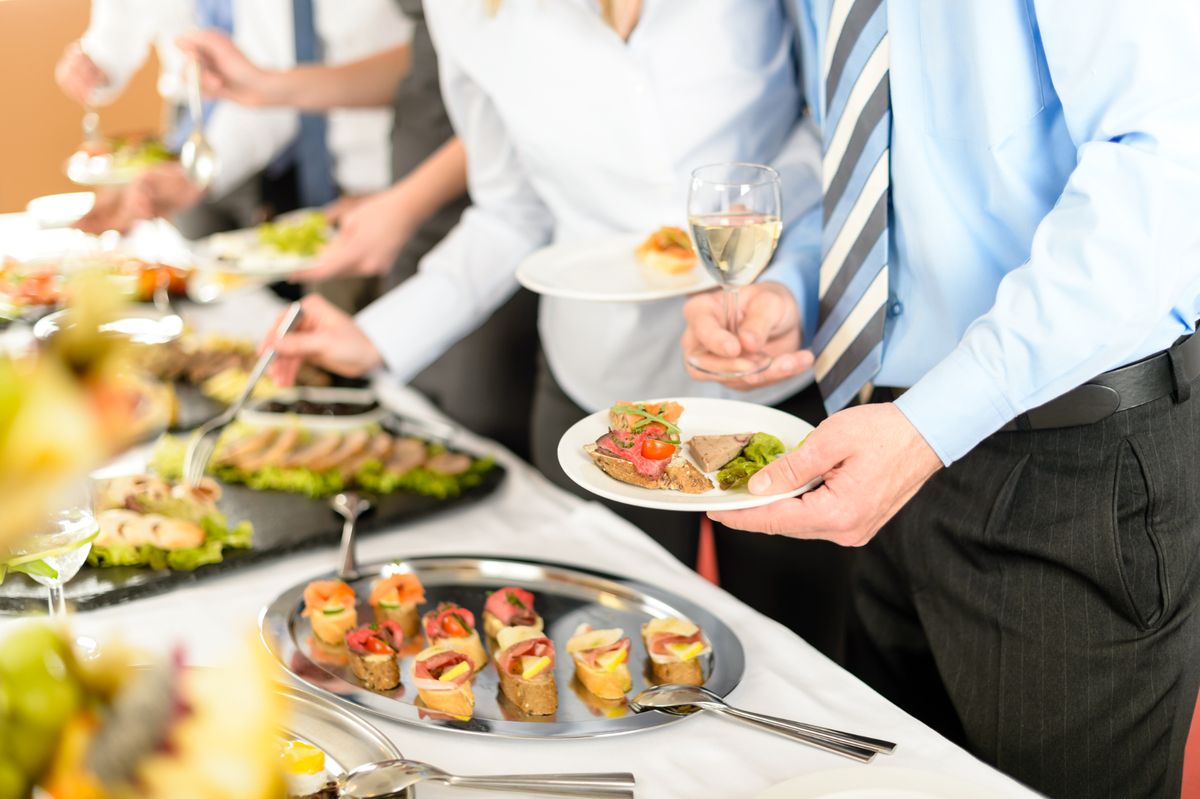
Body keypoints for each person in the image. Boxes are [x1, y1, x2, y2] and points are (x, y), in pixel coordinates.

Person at [681, 2, 1200, 796]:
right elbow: (856, 148)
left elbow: (1164, 170)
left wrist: (930, 425)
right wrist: (793, 284)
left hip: (1069, 468)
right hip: (887, 441)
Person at [260, 0, 855, 658]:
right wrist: (377, 335)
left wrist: (780, 250)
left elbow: (832, 128)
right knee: (607, 666)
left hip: (786, 363)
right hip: (601, 390)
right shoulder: (464, 14)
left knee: (807, 662)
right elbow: (509, 212)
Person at [177, 0, 540, 459]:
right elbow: (433, 71)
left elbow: (520, 123)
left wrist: (405, 202)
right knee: (415, 420)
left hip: (450, 213)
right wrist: (378, 337)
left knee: (477, 426)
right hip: (418, 219)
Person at [59, 0, 412, 238]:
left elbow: (276, 81)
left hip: (389, 172)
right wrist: (192, 175)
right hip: (210, 123)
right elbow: (272, 85)